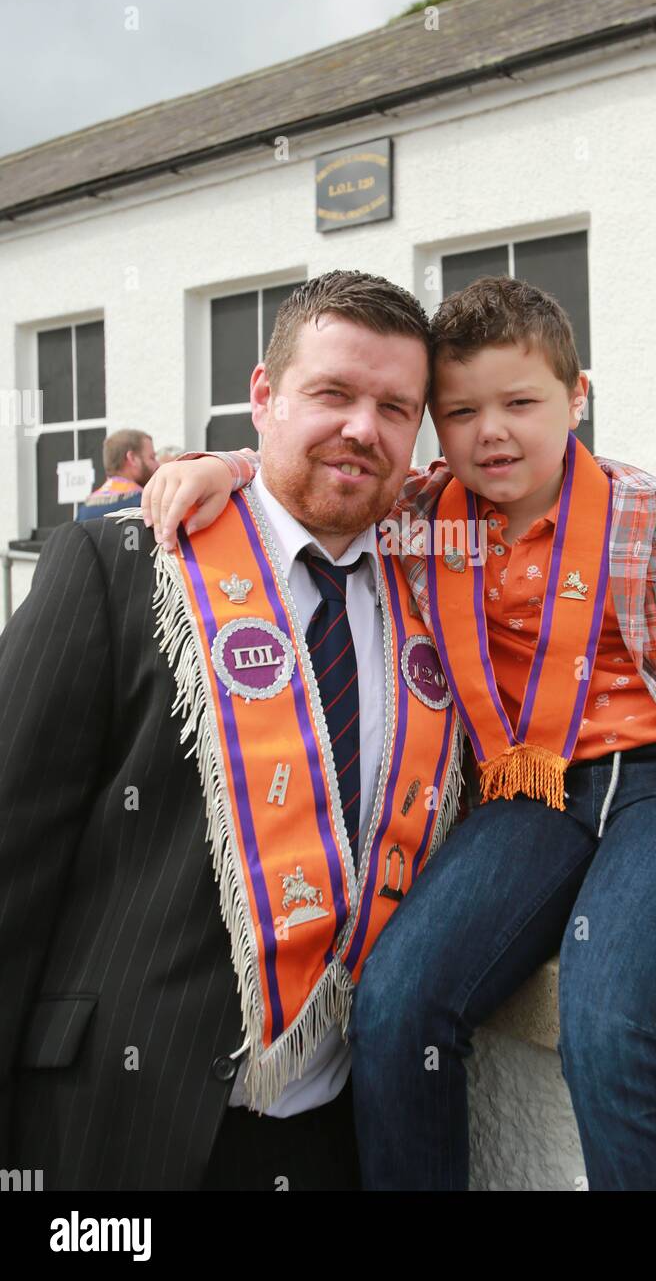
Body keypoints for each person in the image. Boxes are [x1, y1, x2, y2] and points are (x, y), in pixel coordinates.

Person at [143, 275, 656, 1192]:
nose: (492, 431)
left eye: (521, 402)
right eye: (460, 410)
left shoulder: (653, 514)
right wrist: (224, 468)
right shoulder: (420, 516)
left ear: (577, 399)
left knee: (618, 1020)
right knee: (397, 1002)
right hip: (537, 789)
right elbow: (315, 474)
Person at [0, 271, 463, 1190]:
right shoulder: (122, 563)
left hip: (333, 1138)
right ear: (263, 396)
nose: (362, 429)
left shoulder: (441, 602)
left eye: (395, 408)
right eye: (332, 393)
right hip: (115, 1129)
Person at [76, 428, 159, 520]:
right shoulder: (144, 505)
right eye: (152, 458)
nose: (157, 465)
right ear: (132, 458)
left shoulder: (84, 510)